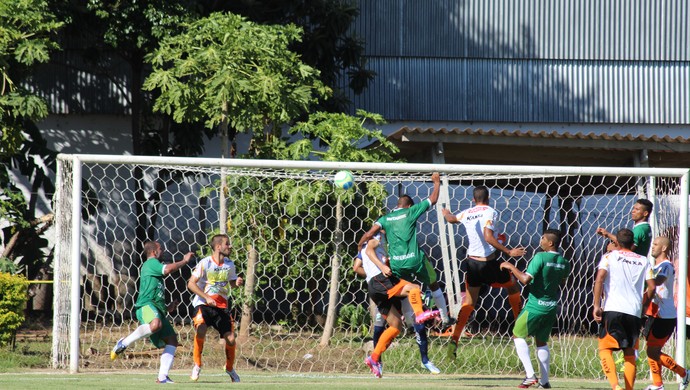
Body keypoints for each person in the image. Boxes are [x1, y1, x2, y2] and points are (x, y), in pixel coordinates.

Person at [441, 185, 527, 358]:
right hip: (488, 264)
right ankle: (520, 330)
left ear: (473, 199)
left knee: (470, 303)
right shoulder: (490, 211)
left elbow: (451, 219)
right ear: (488, 198)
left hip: (471, 264)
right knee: (512, 286)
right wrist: (509, 251)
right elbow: (488, 236)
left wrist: (445, 213)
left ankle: (454, 339)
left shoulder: (467, 212)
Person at [358, 172, 452, 327]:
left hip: (396, 264)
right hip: (415, 260)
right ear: (408, 205)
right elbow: (433, 199)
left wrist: (359, 246)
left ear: (397, 205)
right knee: (433, 283)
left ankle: (408, 323)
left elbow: (369, 233)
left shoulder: (385, 218)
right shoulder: (410, 212)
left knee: (404, 292)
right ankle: (446, 319)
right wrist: (436, 182)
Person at [353, 232, 441, 374]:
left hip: (374, 287)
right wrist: (381, 268)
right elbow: (370, 249)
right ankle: (420, 314)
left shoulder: (368, 246)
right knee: (415, 289)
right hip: (381, 280)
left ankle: (374, 358)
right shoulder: (377, 239)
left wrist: (372, 273)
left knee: (396, 326)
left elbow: (356, 267)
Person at [110, 241, 193, 384]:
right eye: (161, 248)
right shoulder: (151, 263)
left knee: (172, 341)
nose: (163, 250)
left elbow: (154, 292)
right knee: (155, 324)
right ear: (154, 252)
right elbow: (167, 270)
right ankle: (123, 343)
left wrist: (167, 308)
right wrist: (184, 261)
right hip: (145, 306)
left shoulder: (153, 268)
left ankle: (162, 377)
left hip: (157, 309)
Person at [500, 229, 570, 389]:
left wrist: (510, 266)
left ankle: (530, 375)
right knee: (541, 342)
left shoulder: (540, 257)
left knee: (517, 335)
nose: (541, 240)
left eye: (543, 238)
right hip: (551, 307)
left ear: (550, 243)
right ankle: (545, 381)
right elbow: (563, 282)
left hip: (535, 306)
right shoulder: (564, 262)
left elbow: (525, 279)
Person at [593, 228, 655, 390]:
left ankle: (615, 386)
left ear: (617, 243)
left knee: (605, 348)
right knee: (629, 354)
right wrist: (643, 305)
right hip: (634, 311)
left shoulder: (609, 257)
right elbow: (652, 287)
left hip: (613, 308)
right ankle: (628, 388)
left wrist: (597, 305)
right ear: (632, 243)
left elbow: (599, 278)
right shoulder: (643, 260)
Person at [187, 234, 244, 382]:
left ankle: (230, 368)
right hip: (203, 304)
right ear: (218, 247)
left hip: (221, 306)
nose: (230, 246)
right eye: (227, 244)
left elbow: (230, 282)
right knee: (201, 329)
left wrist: (236, 282)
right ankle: (197, 364)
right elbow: (191, 284)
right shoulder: (205, 263)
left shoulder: (229, 265)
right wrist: (206, 297)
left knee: (231, 339)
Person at [643, 236, 689, 390]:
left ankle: (683, 373)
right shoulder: (655, 267)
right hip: (655, 313)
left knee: (652, 350)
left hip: (665, 315)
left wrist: (646, 276)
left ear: (663, 248)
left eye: (656, 244)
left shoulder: (666, 266)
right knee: (651, 349)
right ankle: (658, 384)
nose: (653, 247)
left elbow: (657, 282)